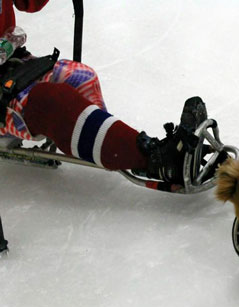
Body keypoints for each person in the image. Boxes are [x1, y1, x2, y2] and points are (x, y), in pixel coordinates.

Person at [0, 0, 202, 192]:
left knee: (82, 78)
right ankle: (156, 160)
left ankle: (115, 145)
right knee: (50, 103)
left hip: (11, 60)